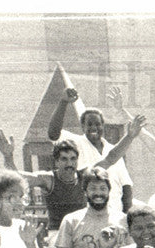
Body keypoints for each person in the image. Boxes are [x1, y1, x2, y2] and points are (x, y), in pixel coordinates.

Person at [0, 115, 144, 231]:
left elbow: (110, 158)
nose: (69, 164)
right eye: (64, 159)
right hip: (58, 232)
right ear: (56, 161)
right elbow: (16, 178)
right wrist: (8, 156)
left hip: (81, 231)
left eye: (73, 159)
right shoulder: (49, 179)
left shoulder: (83, 175)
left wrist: (129, 136)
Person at [48, 88, 136, 217]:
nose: (94, 127)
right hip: (88, 215)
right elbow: (53, 134)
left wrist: (127, 216)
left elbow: (126, 186)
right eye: (89, 124)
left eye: (97, 124)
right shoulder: (76, 143)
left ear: (103, 125)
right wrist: (63, 102)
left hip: (115, 215)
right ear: (83, 127)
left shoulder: (114, 149)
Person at [54, 166, 128, 248]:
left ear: (109, 191)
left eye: (103, 188)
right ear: (85, 191)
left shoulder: (123, 220)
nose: (98, 193)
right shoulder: (71, 220)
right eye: (93, 188)